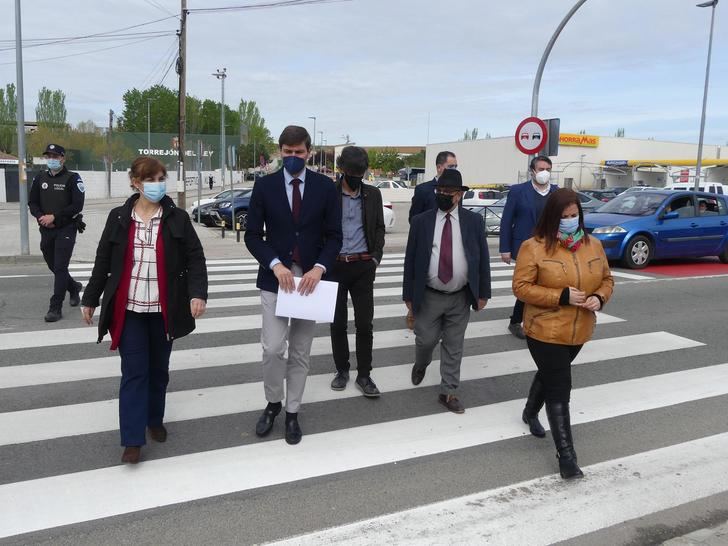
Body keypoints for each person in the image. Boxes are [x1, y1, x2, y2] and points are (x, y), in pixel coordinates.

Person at [80, 157, 208, 465]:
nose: (157, 184)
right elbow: (102, 260)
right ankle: (133, 440)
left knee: (158, 372)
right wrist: (90, 298)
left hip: (165, 308)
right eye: (151, 179)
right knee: (134, 372)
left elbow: (195, 258)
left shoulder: (176, 218)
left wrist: (197, 294)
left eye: (161, 177)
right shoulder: (119, 217)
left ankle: (154, 418)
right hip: (131, 309)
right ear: (135, 182)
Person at [245, 125, 342, 445]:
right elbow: (252, 235)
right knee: (273, 348)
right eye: (287, 153)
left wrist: (319, 267)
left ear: (309, 152)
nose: (293, 158)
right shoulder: (265, 186)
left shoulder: (326, 187)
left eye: (299, 152)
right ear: (280, 152)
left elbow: (334, 236)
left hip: (310, 282)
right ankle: (273, 402)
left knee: (300, 351)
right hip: (276, 280)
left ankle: (293, 412)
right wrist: (274, 264)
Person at [512, 188, 613, 480]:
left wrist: (600, 297)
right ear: (551, 217)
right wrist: (561, 296)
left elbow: (607, 278)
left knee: (551, 374)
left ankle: (530, 411)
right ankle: (567, 457)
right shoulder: (534, 247)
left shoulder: (593, 245)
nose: (569, 221)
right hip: (544, 328)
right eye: (563, 217)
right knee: (560, 386)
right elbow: (521, 288)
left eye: (574, 215)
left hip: (579, 328)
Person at [403, 169, 491, 413]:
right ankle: (421, 363)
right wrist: (408, 295)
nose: (443, 195)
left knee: (454, 345)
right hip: (429, 294)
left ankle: (449, 391)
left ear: (459, 195)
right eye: (440, 191)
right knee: (426, 340)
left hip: (460, 296)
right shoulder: (421, 222)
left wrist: (483, 292)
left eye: (448, 192)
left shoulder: (473, 221)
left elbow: (482, 257)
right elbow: (410, 259)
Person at [329, 146, 385, 397]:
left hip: (363, 266)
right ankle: (342, 370)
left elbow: (379, 228)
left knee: (364, 323)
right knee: (337, 323)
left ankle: (365, 375)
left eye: (360, 173)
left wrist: (375, 258)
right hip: (335, 265)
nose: (356, 177)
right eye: (352, 172)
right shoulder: (328, 194)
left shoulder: (373, 195)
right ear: (341, 169)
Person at [499, 155, 557, 339]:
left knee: (546, 283)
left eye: (548, 168)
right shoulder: (518, 191)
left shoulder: (556, 192)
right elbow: (507, 220)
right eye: (541, 169)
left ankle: (537, 319)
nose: (544, 172)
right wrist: (505, 248)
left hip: (549, 246)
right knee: (528, 284)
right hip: (525, 247)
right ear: (532, 171)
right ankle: (516, 321)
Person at [28, 143, 85, 322]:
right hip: (45, 227)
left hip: (66, 228)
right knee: (52, 265)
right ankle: (74, 287)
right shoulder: (39, 178)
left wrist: (55, 217)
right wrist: (41, 217)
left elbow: (77, 205)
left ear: (63, 158)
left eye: (55, 156)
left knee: (60, 267)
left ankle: (55, 307)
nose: (51, 159)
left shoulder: (73, 178)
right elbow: (33, 203)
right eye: (49, 156)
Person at [408, 151, 458, 223]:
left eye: (455, 166)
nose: (454, 170)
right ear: (439, 167)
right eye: (450, 166)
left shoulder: (457, 191)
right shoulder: (423, 190)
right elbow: (414, 219)